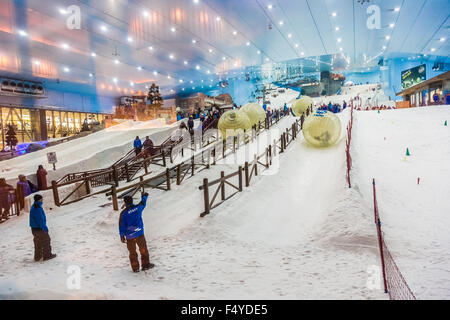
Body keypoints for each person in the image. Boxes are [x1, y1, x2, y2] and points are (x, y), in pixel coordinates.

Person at [119, 193, 154, 272]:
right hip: (139, 234)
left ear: (125, 203)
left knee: (132, 252)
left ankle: (135, 268)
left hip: (129, 236)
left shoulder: (123, 213)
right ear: (132, 200)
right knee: (143, 249)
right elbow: (143, 202)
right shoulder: (138, 208)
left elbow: (121, 225)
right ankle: (145, 265)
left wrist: (122, 235)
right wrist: (144, 196)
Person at [29, 194, 56, 261]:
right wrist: (44, 228)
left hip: (34, 229)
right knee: (46, 241)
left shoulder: (34, 206)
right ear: (38, 200)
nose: (42, 201)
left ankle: (37, 256)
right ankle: (47, 255)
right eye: (41, 199)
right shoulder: (37, 208)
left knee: (38, 242)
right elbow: (40, 220)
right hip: (39, 228)